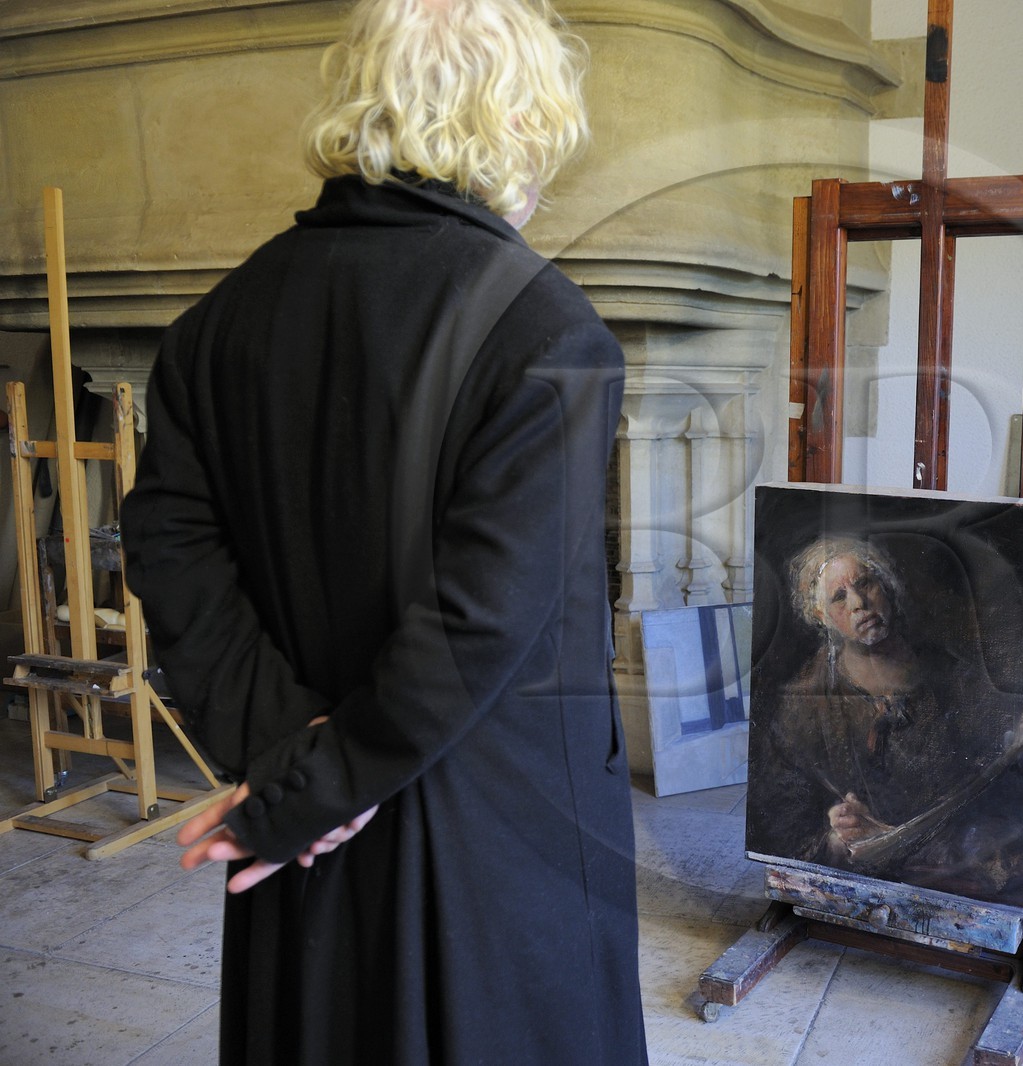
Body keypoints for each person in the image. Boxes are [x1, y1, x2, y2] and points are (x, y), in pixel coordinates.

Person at [120, 1, 647, 1061]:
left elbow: (170, 549)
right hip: (493, 839)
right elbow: (484, 618)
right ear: (518, 122)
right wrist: (324, 780)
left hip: (302, 817)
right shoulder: (546, 328)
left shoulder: (215, 324)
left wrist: (288, 758)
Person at [746, 536, 1023, 912]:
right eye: (839, 597)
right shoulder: (803, 705)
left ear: (887, 586)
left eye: (865, 583)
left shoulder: (952, 677)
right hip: (857, 880)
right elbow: (782, 816)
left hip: (954, 868)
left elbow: (1006, 765)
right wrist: (835, 835)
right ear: (821, 616)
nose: (859, 603)